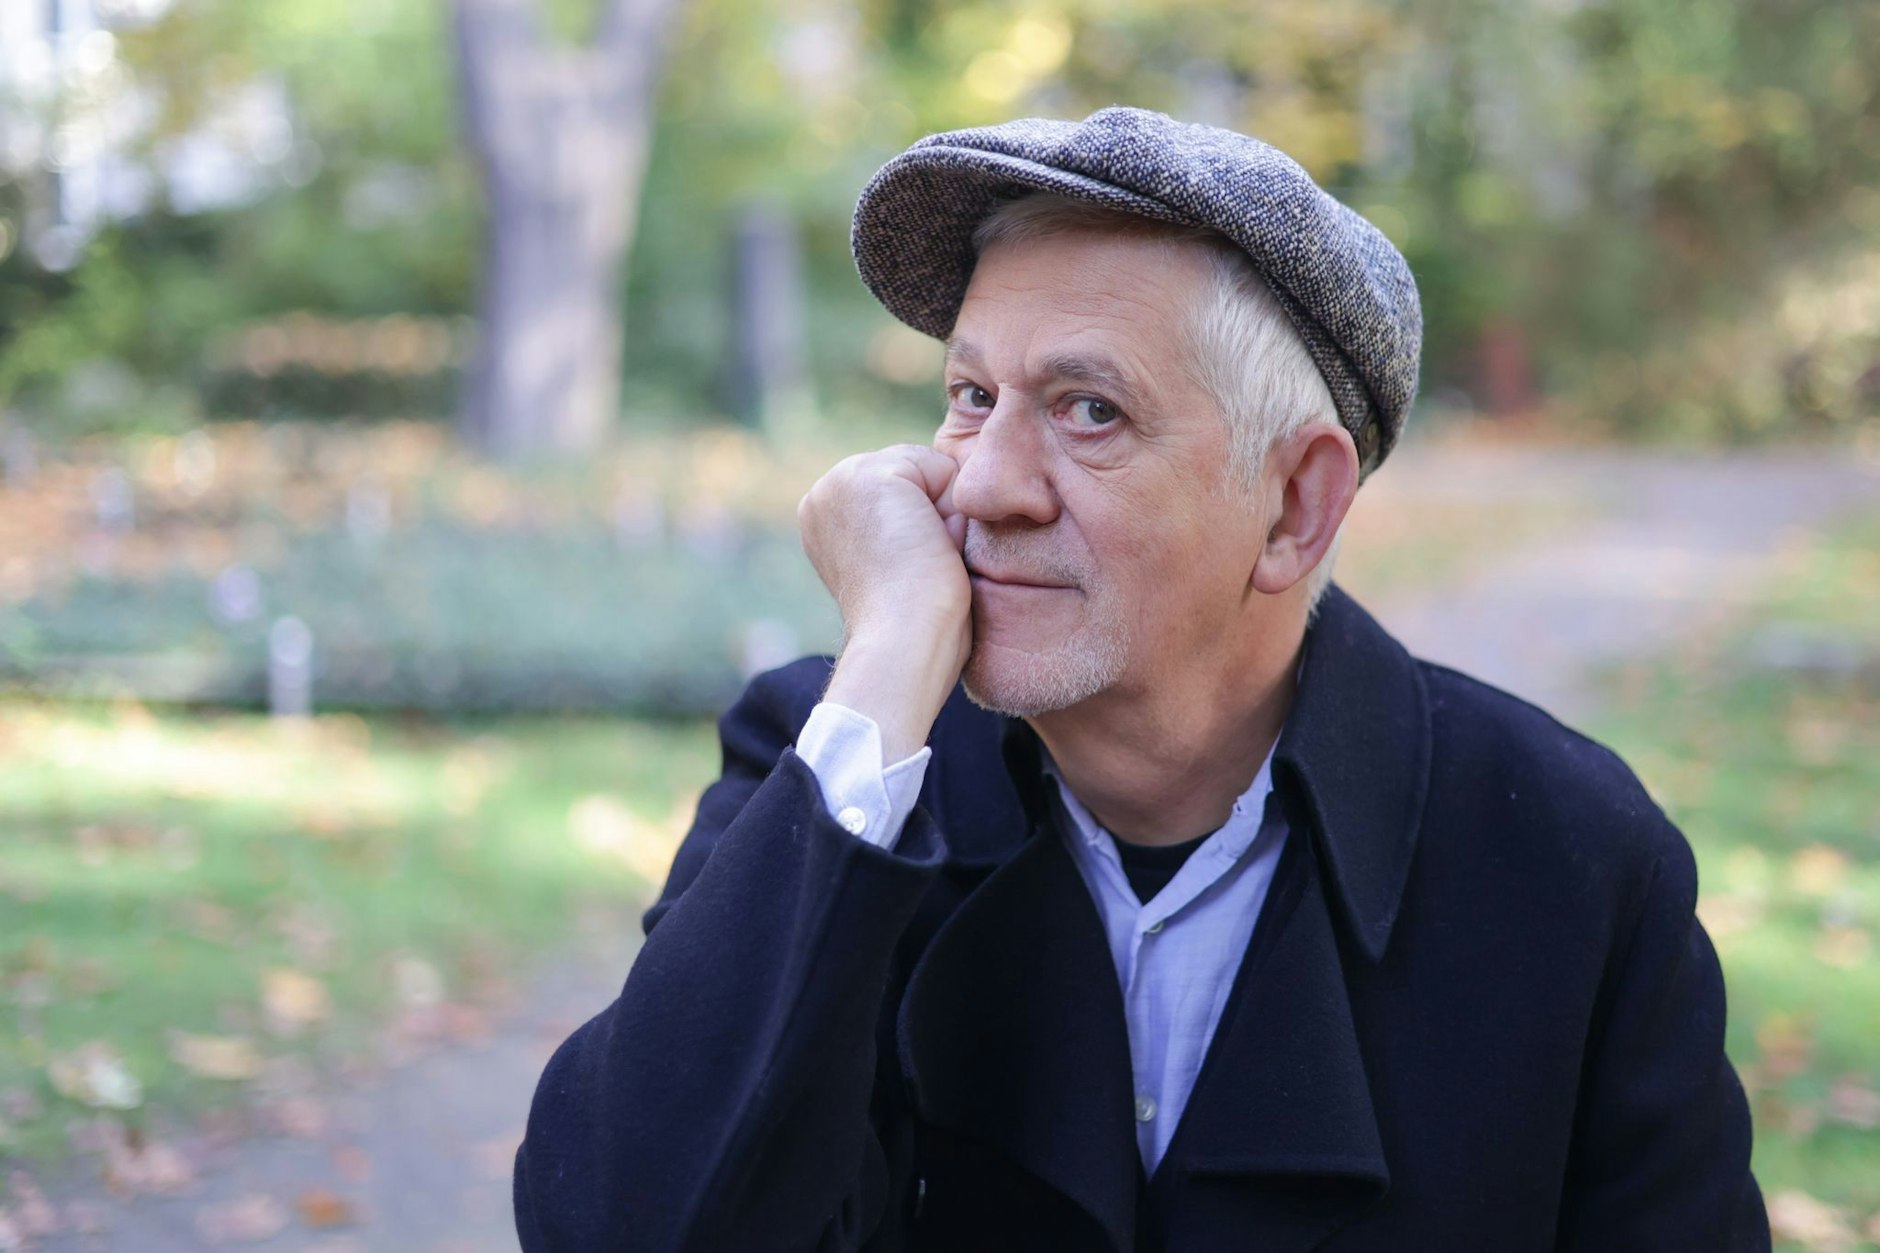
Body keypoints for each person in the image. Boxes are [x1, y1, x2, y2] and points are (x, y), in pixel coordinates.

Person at [514, 107, 1767, 1251]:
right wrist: (887, 660)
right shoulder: (835, 760)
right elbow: (625, 1221)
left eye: (1089, 409)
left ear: (1292, 505)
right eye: (969, 394)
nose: (989, 483)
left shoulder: (1566, 854)